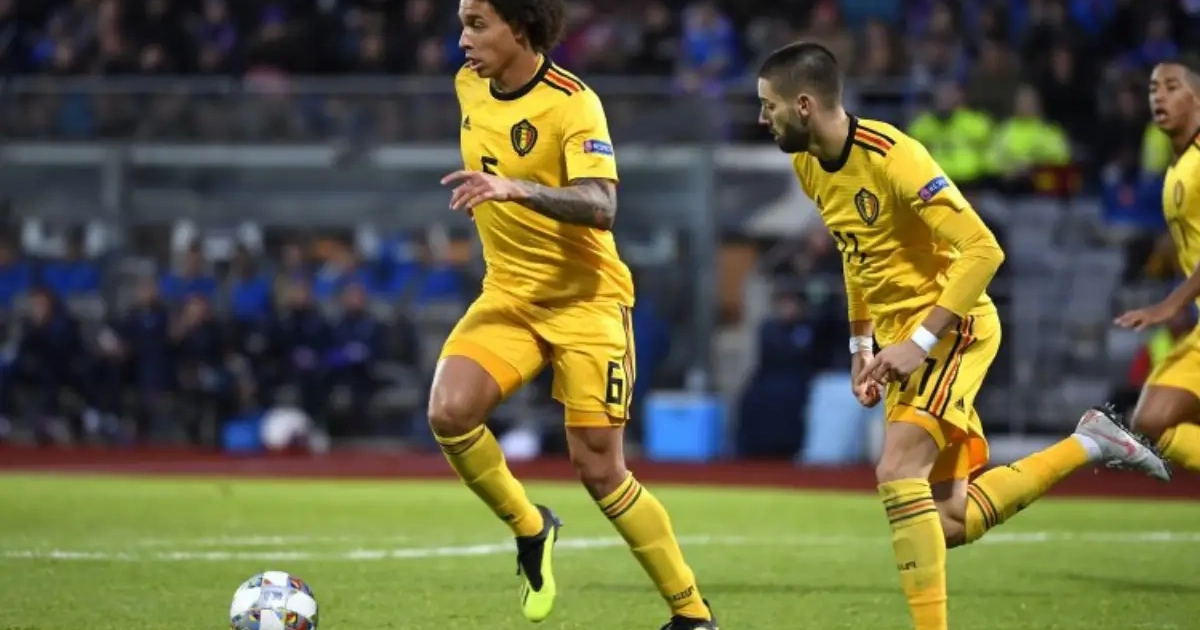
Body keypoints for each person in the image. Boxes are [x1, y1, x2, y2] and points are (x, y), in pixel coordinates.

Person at [755, 41, 1170, 630]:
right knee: (947, 521)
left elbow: (984, 249)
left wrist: (918, 343)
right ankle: (1090, 443)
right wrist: (861, 346)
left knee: (896, 471)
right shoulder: (808, 164)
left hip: (953, 327)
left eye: (768, 105)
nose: (761, 118)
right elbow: (856, 254)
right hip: (900, 342)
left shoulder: (894, 156)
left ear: (803, 105)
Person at [431, 1, 715, 628]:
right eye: (462, 24)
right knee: (449, 413)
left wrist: (517, 188)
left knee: (599, 470)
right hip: (509, 296)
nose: (463, 40)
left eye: (477, 25)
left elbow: (602, 204)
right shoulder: (469, 85)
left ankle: (692, 614)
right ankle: (532, 528)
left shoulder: (573, 102)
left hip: (587, 303)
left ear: (520, 27)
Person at [1115, 59, 1200, 473]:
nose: (1158, 96)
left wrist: (1169, 305)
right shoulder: (1177, 167)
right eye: (1153, 89)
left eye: (1171, 86)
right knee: (1149, 420)